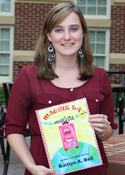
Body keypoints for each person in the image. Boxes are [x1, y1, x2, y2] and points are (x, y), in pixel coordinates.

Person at [5, 1, 118, 175]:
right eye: (59, 30)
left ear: (83, 33)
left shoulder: (100, 77)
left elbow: (108, 129)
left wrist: (104, 129)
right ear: (49, 35)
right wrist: (31, 166)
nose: (67, 37)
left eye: (74, 29)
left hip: (92, 170)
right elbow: (13, 128)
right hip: (45, 170)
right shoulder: (28, 76)